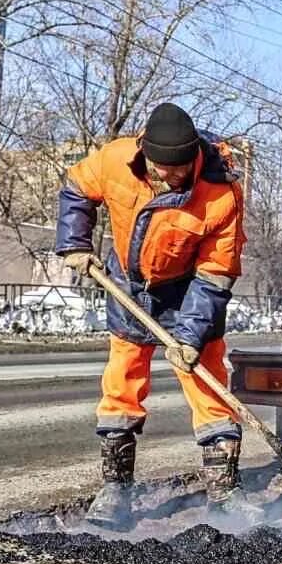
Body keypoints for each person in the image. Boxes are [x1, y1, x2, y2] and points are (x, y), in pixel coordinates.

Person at [54, 103, 247, 526]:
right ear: (145, 153)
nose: (172, 176)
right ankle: (116, 491)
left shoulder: (220, 191)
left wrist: (191, 337)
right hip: (129, 285)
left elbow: (216, 273)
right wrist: (75, 243)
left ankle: (225, 493)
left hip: (191, 288)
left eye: (180, 169)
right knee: (122, 381)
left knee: (207, 380)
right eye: (163, 168)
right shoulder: (115, 160)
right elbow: (76, 189)